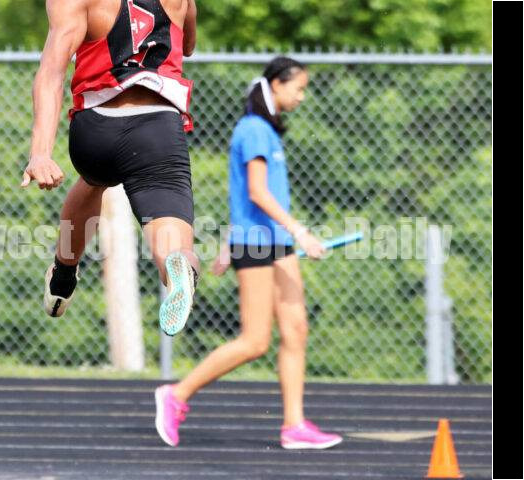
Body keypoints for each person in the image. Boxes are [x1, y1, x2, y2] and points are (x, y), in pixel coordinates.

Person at [154, 56, 344, 450]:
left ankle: (294, 426)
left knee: (295, 330)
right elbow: (256, 193)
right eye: (299, 88)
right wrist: (300, 232)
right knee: (256, 340)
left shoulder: (268, 131)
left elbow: (243, 197)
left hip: (276, 243)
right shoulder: (254, 130)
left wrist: (231, 242)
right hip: (260, 243)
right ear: (276, 84)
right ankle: (176, 395)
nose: (302, 96)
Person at [23, 0, 200, 336]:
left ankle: (64, 271)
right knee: (174, 245)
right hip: (157, 129)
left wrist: (41, 153)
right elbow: (188, 44)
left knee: (93, 180)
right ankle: (177, 266)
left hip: (95, 130)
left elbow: (51, 72)